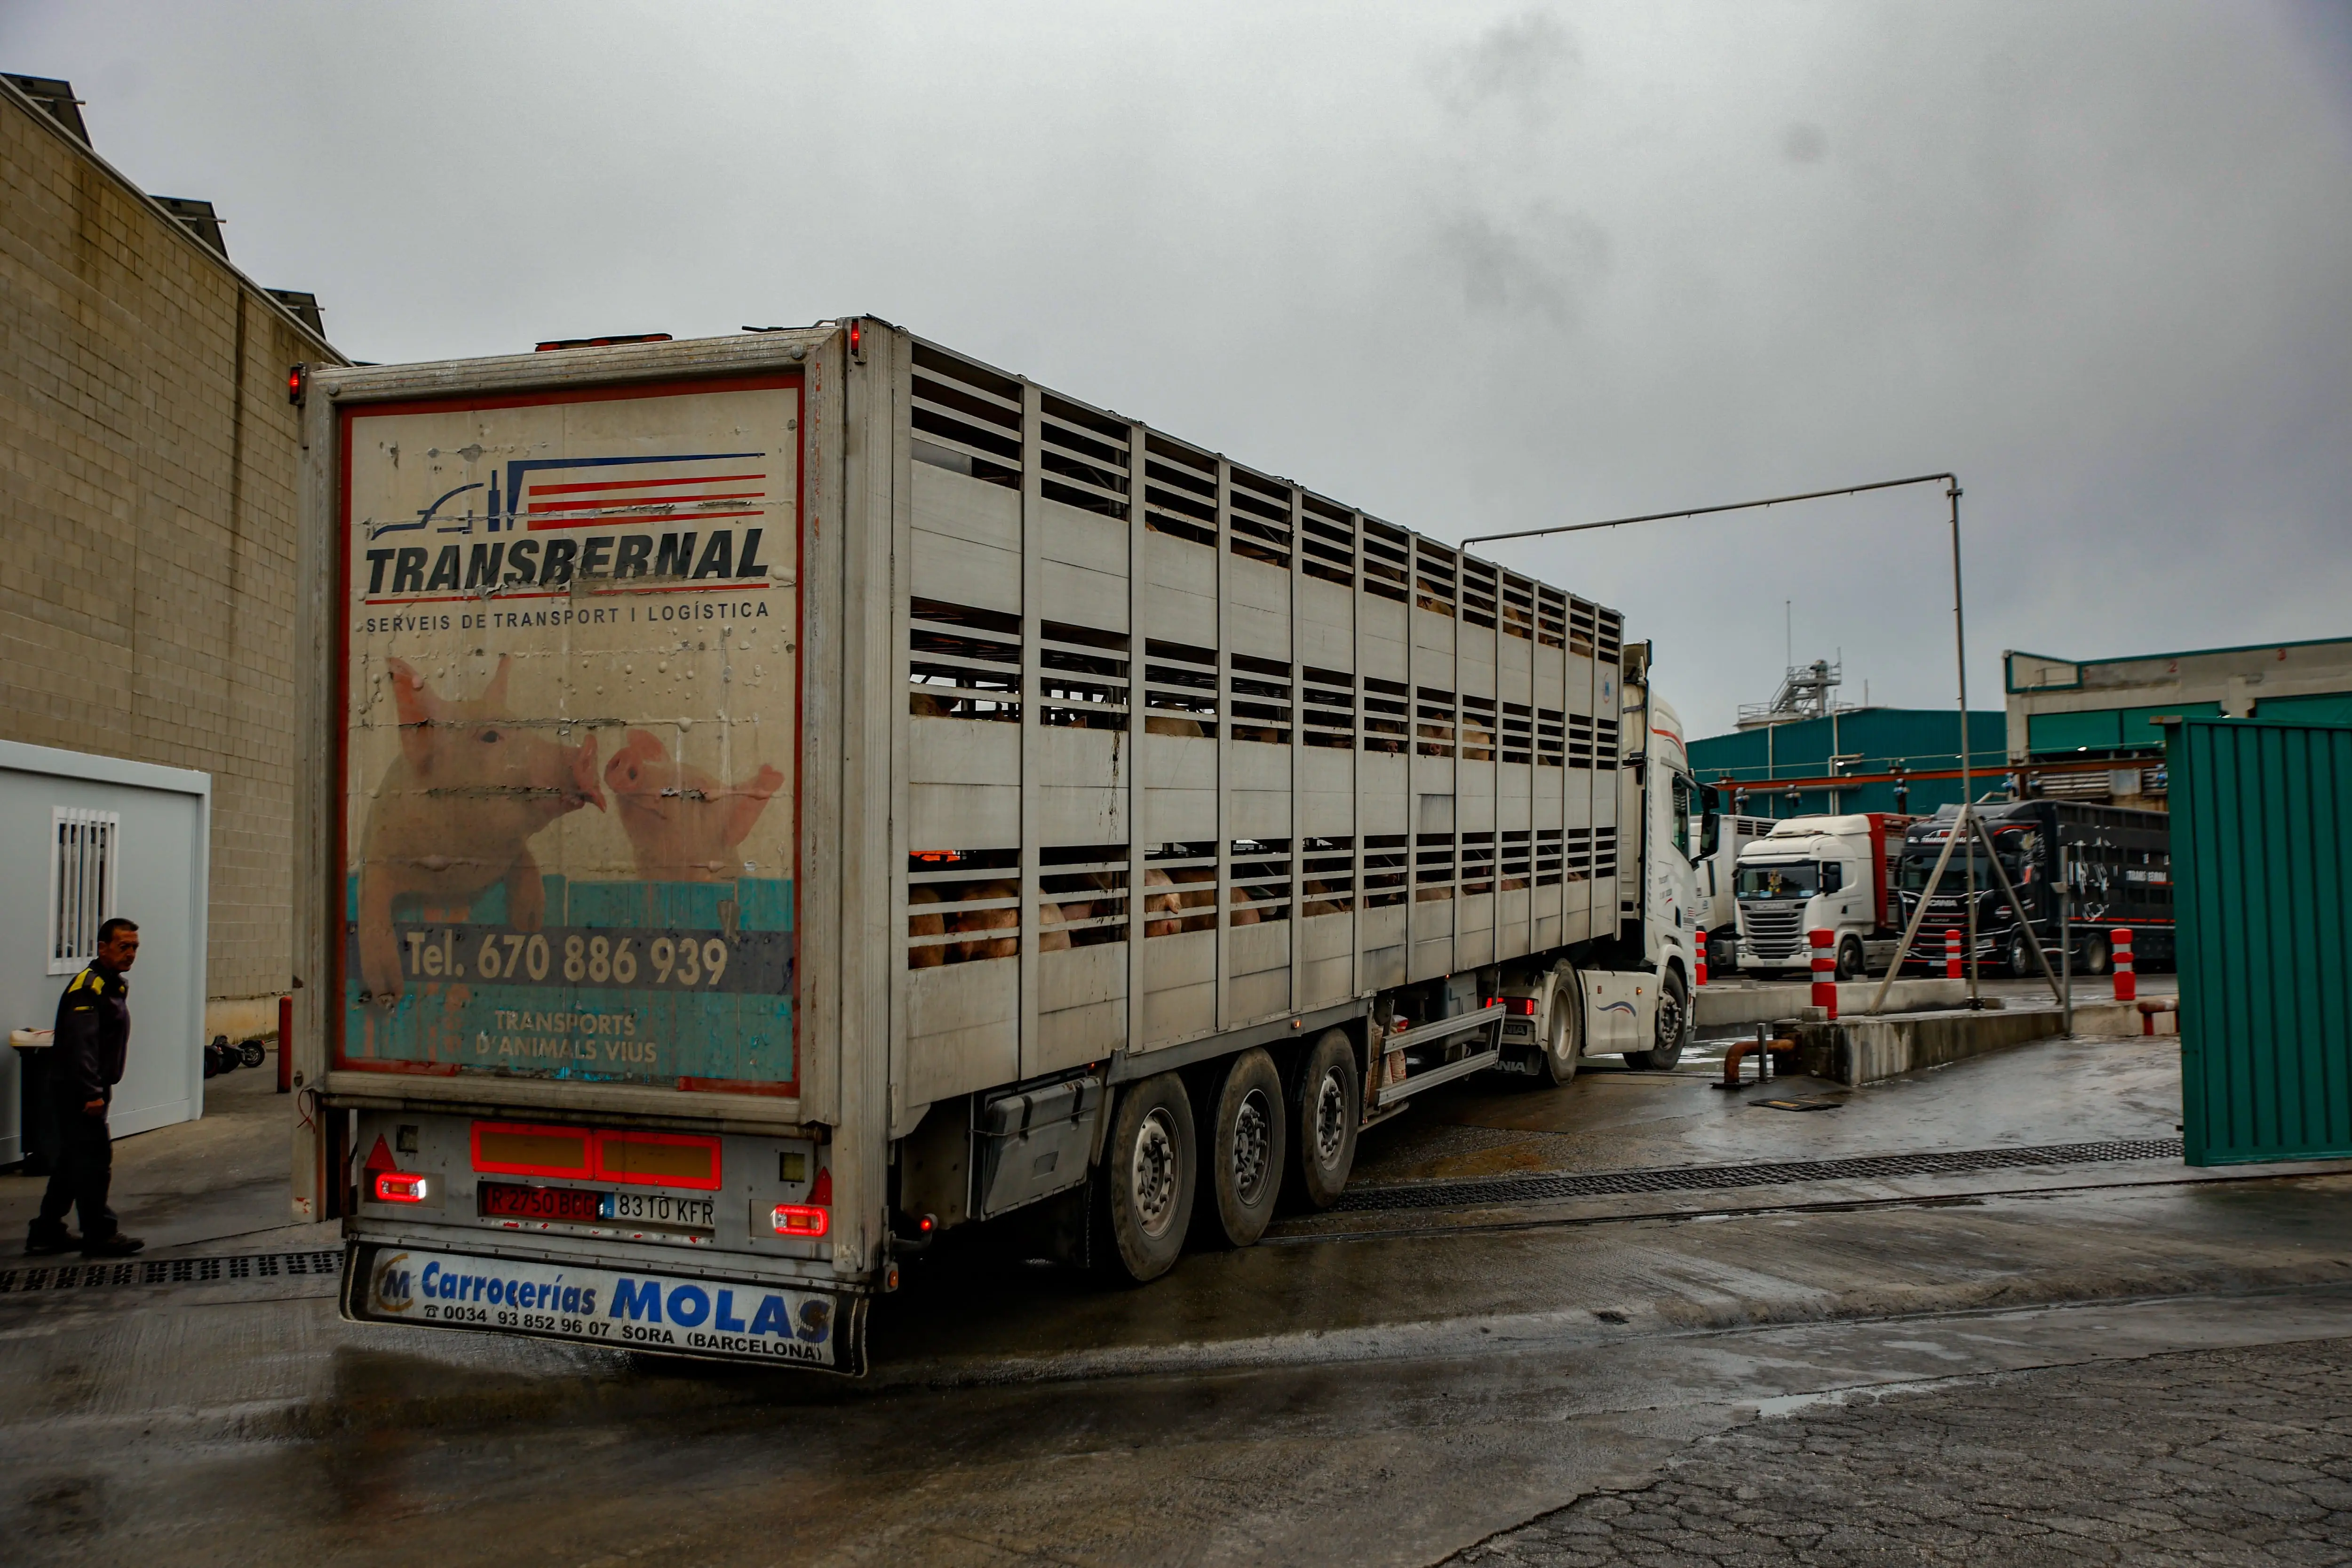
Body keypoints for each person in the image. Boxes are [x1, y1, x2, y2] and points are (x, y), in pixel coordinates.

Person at [26, 917, 144, 1258]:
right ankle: (100, 1233)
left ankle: (47, 1231)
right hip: (79, 1090)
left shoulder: (112, 985)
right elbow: (81, 1045)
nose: (131, 953)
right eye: (124, 946)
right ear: (102, 947)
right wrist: (92, 1092)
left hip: (89, 1086)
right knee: (94, 1160)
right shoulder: (88, 987)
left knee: (71, 1162)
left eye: (135, 947)